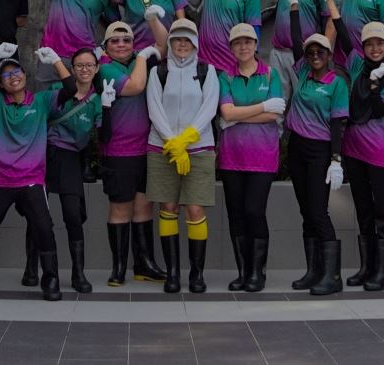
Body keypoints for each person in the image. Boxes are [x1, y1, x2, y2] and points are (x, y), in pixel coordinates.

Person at [0, 42, 65, 301]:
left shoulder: (41, 101)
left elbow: (71, 88)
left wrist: (55, 61)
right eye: (6, 75)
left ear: (25, 76)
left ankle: (50, 279)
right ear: (1, 83)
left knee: (44, 228)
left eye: (16, 72)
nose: (13, 77)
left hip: (31, 180)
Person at [145, 17, 221, 293]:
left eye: (187, 39)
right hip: (162, 149)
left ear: (195, 43)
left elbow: (209, 108)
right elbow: (154, 109)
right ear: (170, 41)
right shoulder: (158, 72)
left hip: (198, 149)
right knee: (167, 208)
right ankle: (173, 274)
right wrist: (173, 144)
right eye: (177, 38)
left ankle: (196, 274)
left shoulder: (206, 71)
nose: (181, 44)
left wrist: (187, 140)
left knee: (195, 209)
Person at [95, 20, 165, 286]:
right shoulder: (104, 68)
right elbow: (135, 87)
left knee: (144, 206)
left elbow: (163, 44)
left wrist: (152, 20)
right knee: (121, 208)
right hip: (117, 151)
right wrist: (145, 57)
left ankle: (144, 264)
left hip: (145, 149)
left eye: (126, 40)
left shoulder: (139, 61)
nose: (121, 44)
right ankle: (119, 267)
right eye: (115, 40)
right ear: (106, 46)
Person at [216, 21, 283, 292]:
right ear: (232, 47)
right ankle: (243, 272)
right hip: (232, 157)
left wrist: (239, 115)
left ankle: (257, 272)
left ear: (256, 45)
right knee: (236, 214)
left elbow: (275, 114)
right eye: (238, 43)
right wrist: (262, 106)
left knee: (254, 211)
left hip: (263, 156)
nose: (243, 46)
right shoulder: (225, 76)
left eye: (248, 42)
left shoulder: (270, 75)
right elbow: (226, 113)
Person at [284, 30, 349, 296]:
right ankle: (313, 272)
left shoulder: (337, 83)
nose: (314, 56)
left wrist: (336, 159)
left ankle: (332, 276)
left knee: (318, 211)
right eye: (310, 52)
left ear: (329, 55)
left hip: (320, 149)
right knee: (306, 212)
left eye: (320, 52)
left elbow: (337, 123)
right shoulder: (303, 73)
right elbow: (298, 41)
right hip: (297, 147)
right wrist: (295, 8)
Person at [341, 21, 384, 291]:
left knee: (383, 211)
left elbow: (380, 111)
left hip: (377, 150)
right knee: (363, 210)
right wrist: (330, 5)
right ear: (362, 47)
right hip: (353, 147)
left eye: (380, 43)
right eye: (370, 44)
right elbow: (342, 34)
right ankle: (367, 267)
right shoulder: (356, 64)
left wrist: (376, 84)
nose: (375, 49)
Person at [44, 43, 106, 293]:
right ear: (71, 68)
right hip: (47, 153)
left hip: (72, 157)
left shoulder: (97, 99)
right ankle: (31, 267)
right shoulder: (56, 89)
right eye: (79, 65)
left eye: (89, 65)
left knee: (72, 213)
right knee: (39, 212)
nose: (84, 69)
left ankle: (78, 273)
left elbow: (104, 134)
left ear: (97, 68)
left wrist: (109, 108)